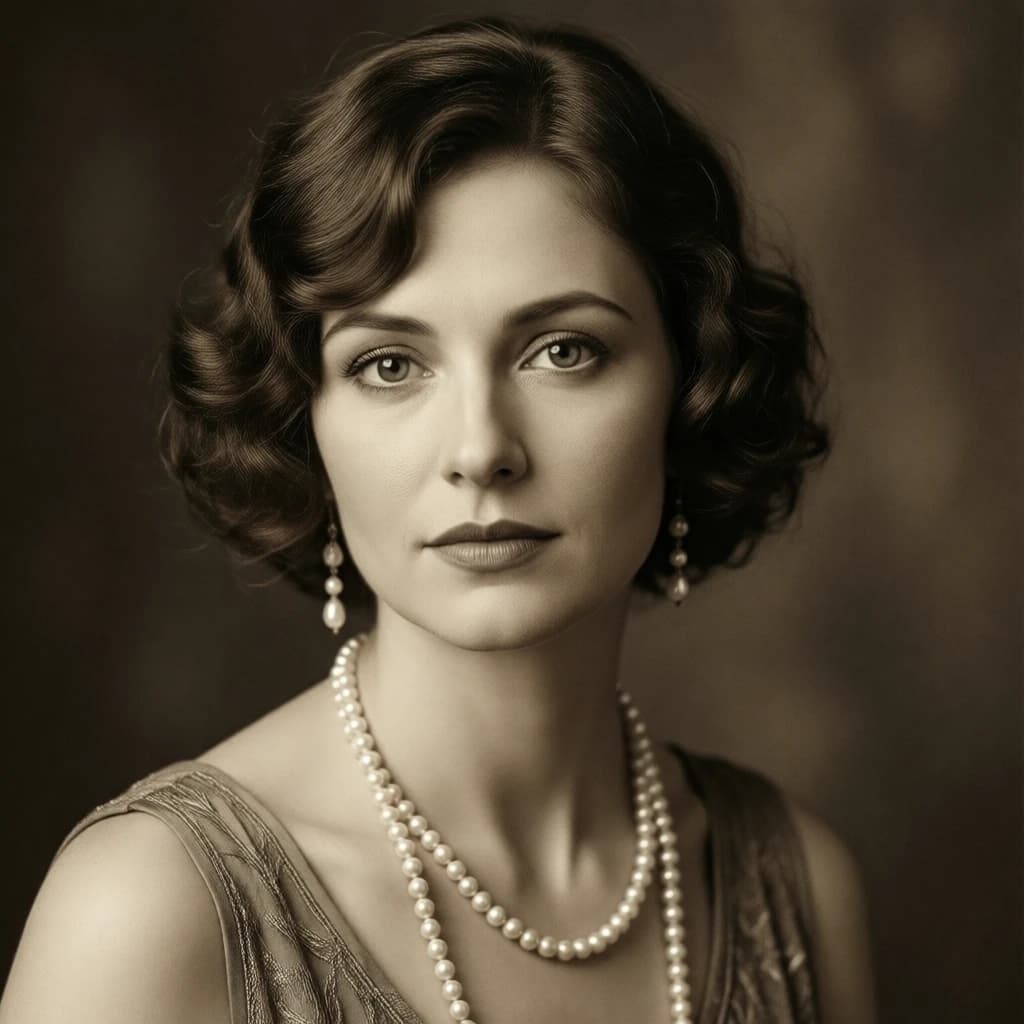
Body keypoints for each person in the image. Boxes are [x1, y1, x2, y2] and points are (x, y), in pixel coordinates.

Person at [0, 15, 876, 1024]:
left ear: (689, 384)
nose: (480, 448)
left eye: (562, 350)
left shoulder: (799, 891)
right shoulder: (148, 908)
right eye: (388, 364)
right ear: (303, 421)